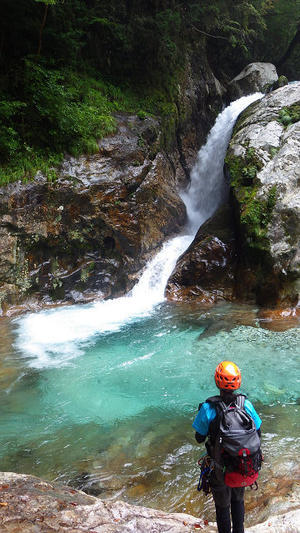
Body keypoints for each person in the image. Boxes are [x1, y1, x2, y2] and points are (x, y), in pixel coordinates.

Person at [192, 361, 262, 533]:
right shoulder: (246, 405)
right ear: (238, 382)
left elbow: (199, 438)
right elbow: (258, 434)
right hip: (242, 464)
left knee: (222, 506)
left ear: (217, 382)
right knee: (238, 500)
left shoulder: (208, 408)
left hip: (219, 469)